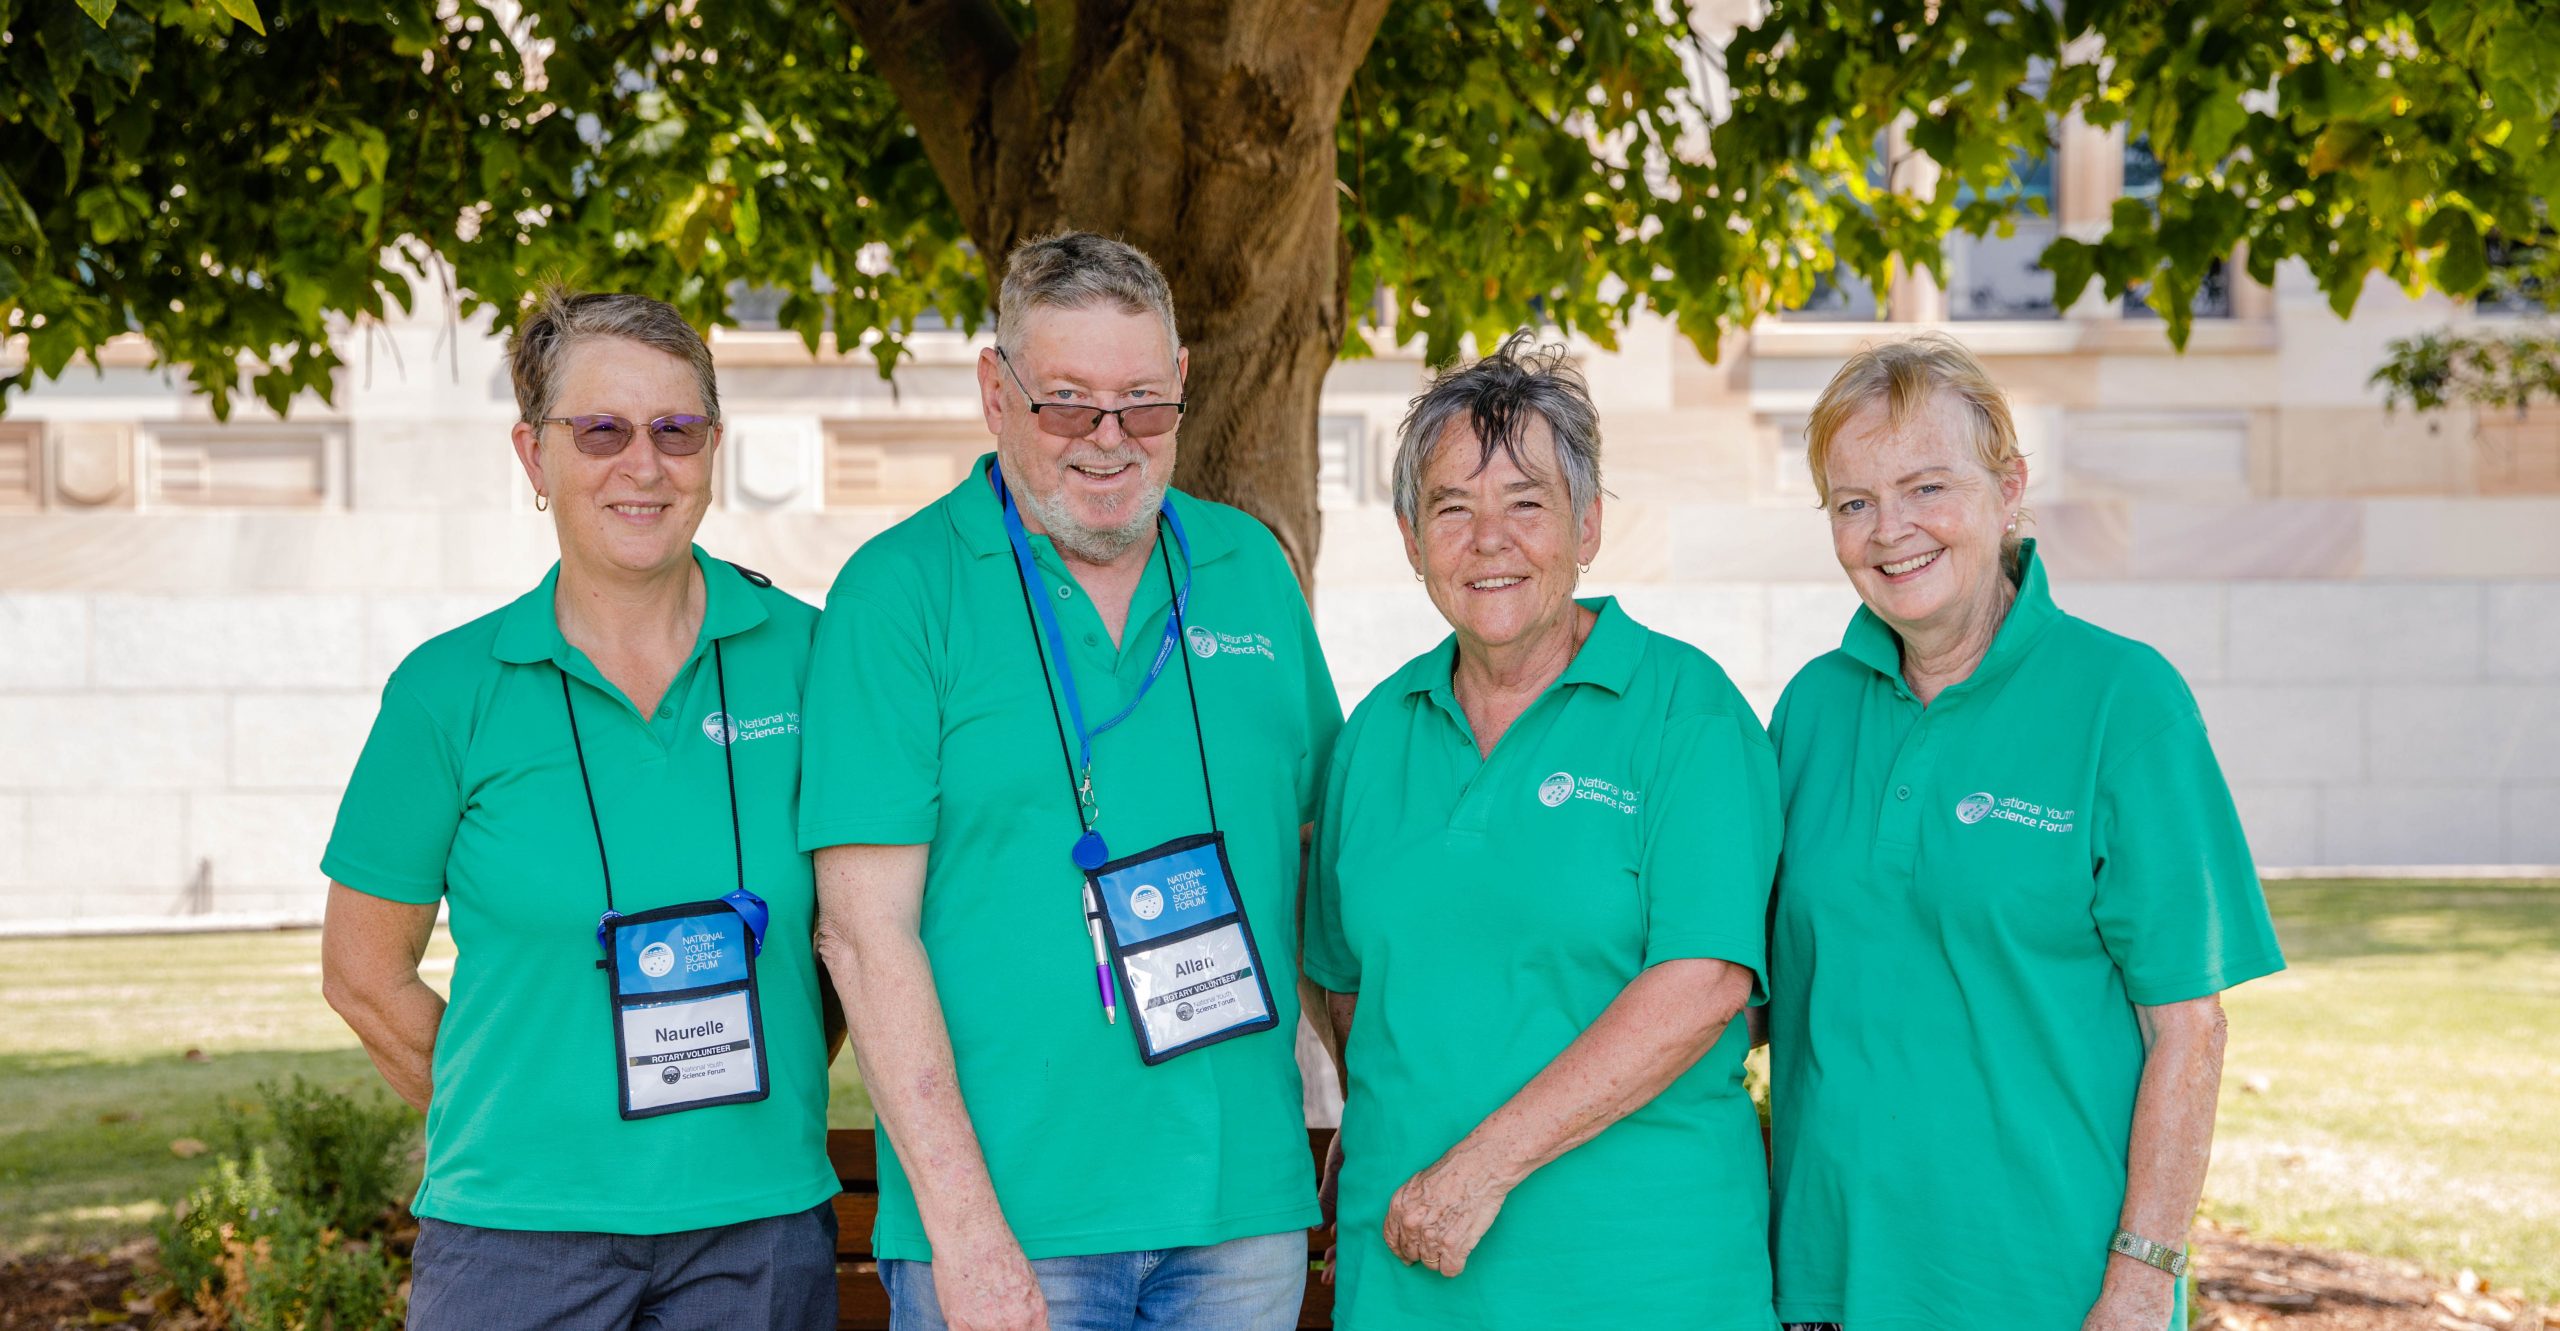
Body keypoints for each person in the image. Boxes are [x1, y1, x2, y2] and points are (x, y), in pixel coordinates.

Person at [801, 232, 1341, 1331]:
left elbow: (1317, 861)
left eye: (1142, 404)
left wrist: (1372, 1106)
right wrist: (967, 1233)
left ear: (1183, 385)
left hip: (1241, 1216)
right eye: (1067, 405)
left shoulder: (1250, 570)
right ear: (995, 392)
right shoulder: (899, 592)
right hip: (1011, 1228)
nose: (1109, 440)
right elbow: (863, 933)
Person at [319, 290, 841, 1330]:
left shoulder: (818, 659)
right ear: (532, 455)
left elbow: (853, 945)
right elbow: (363, 975)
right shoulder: (446, 690)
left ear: (712, 448)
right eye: (600, 429)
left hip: (759, 1227)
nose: (641, 464)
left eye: (675, 429)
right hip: (516, 1235)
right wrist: (530, 1123)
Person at [1763, 334, 2287, 1331]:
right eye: (1852, 501)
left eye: (1926, 487)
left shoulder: (2123, 702)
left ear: (2009, 488)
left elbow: (2187, 1026)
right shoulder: (1809, 711)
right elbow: (1747, 990)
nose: (1890, 530)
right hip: (1829, 1282)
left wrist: (2140, 1280)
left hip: (2049, 1286)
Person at [1303, 332, 1782, 1329]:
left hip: (1640, 1274)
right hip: (1408, 1275)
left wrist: (1478, 1166)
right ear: (1408, 535)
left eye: (1526, 502)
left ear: (1588, 523)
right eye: (1452, 507)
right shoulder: (1375, 733)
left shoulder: (1683, 711)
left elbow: (1704, 983)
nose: (1490, 538)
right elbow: (1343, 983)